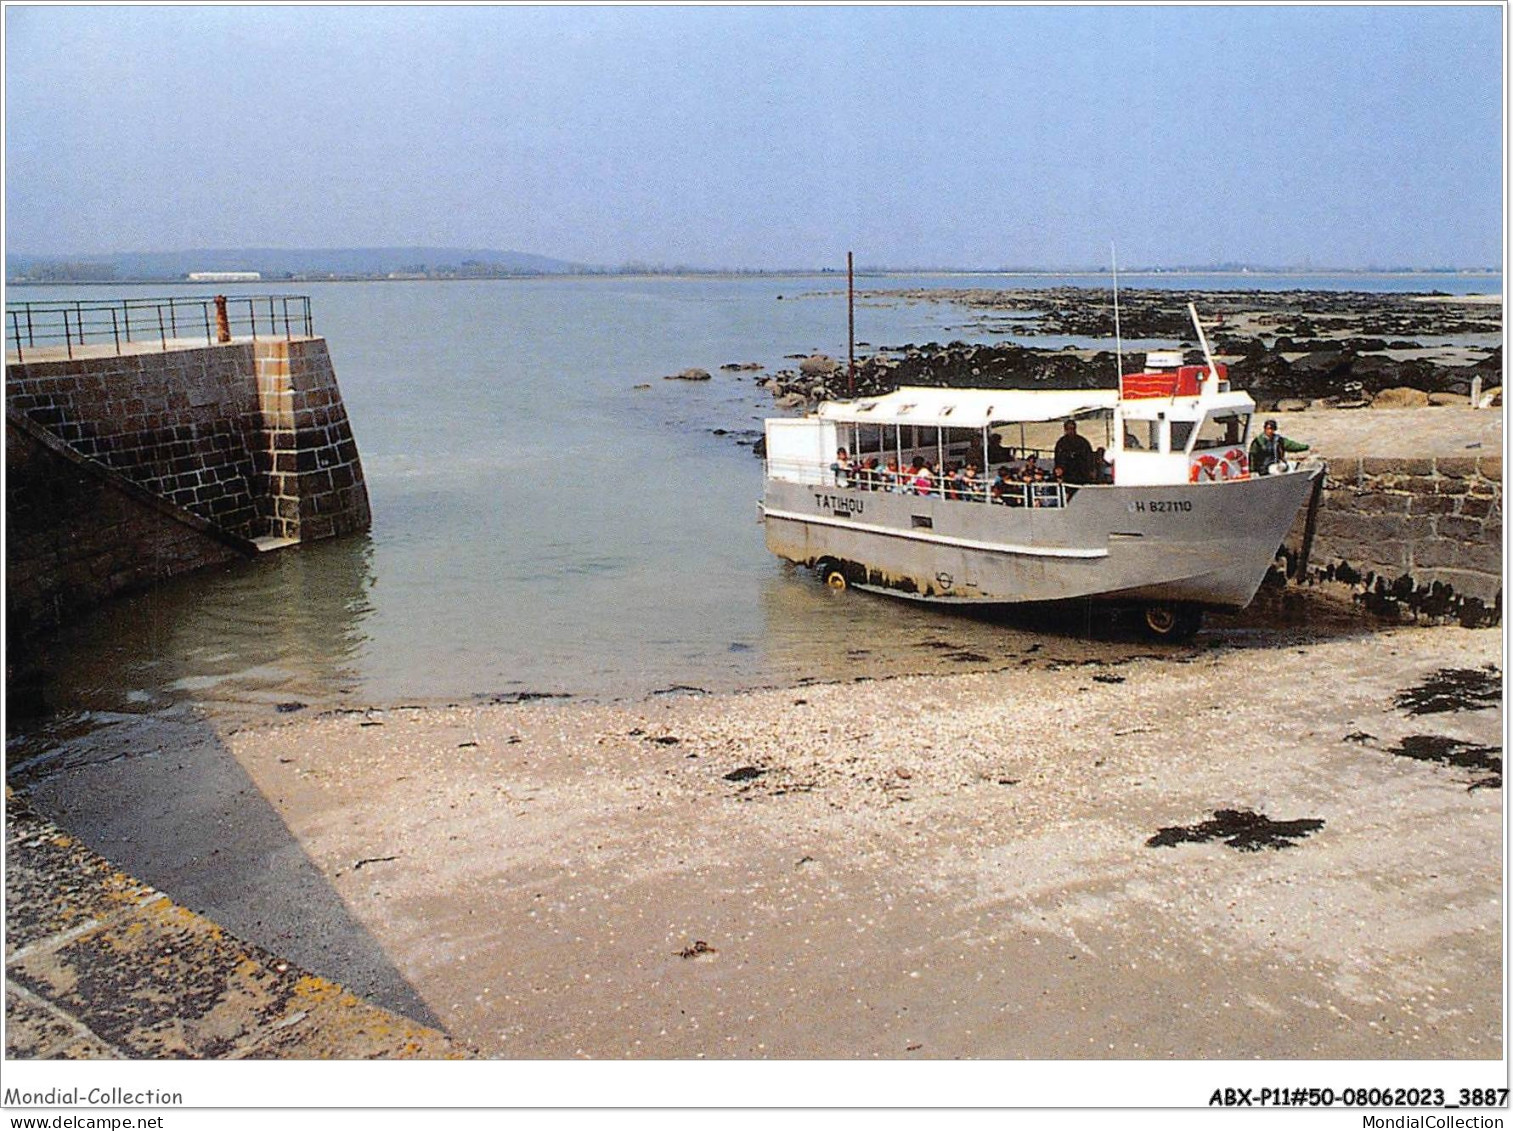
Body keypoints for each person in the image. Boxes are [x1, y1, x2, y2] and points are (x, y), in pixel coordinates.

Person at [1054, 419, 1095, 484]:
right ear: (1065, 429)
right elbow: (1058, 458)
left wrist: (1091, 470)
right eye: (1068, 429)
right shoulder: (1061, 443)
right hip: (1067, 474)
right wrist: (1059, 469)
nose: (1070, 431)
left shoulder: (1082, 442)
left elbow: (1089, 457)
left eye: (1072, 428)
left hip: (1081, 473)